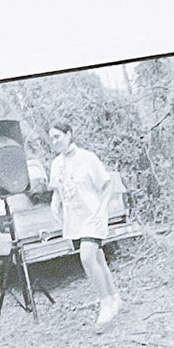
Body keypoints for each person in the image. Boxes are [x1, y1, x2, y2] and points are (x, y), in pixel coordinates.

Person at [47, 121, 122, 328]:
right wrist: (55, 203)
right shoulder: (56, 164)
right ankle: (114, 296)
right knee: (98, 257)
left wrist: (102, 209)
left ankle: (105, 303)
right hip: (74, 220)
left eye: (57, 136)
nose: (54, 142)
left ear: (69, 134)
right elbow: (58, 190)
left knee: (87, 257)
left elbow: (107, 186)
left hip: (93, 216)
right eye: (51, 138)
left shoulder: (88, 158)